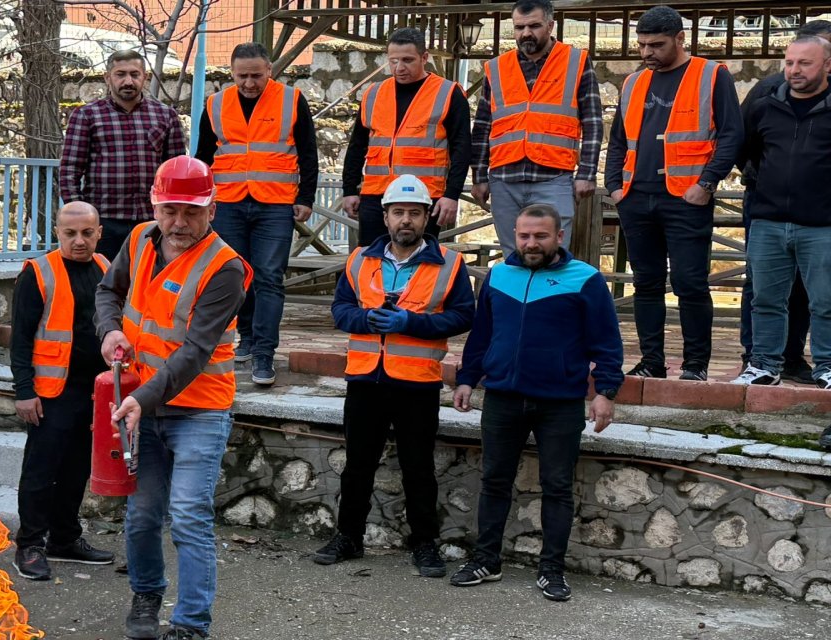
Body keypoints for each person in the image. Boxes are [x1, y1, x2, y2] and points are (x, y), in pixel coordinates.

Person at [95, 156, 252, 640]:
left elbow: (196, 351)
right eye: (170, 211)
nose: (179, 223)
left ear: (212, 209)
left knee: (187, 516)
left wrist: (141, 397)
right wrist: (110, 330)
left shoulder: (225, 269)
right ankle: (146, 595)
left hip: (199, 409)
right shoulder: (141, 238)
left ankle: (190, 625)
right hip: (141, 402)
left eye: (191, 212)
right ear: (155, 206)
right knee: (142, 515)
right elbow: (108, 291)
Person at [451, 204, 623, 602]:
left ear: (559, 236)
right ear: (514, 235)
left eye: (540, 236)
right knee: (494, 480)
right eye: (524, 235)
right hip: (502, 398)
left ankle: (552, 570)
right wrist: (466, 380)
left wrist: (605, 392)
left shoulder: (586, 280)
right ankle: (486, 561)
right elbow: (482, 337)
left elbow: (607, 344)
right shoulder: (497, 276)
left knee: (557, 487)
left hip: (560, 402)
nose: (531, 243)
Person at [311, 174, 474, 577]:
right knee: (358, 465)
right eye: (398, 212)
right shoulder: (359, 259)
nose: (406, 220)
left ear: (426, 218)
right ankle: (348, 537)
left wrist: (410, 322)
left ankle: (424, 544)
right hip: (366, 379)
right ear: (385, 217)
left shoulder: (450, 264)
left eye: (414, 213)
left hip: (417, 381)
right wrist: (366, 319)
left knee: (418, 467)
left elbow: (462, 316)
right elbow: (340, 310)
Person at [604, 5, 742, 382]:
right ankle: (652, 361)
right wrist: (614, 185)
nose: (647, 52)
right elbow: (619, 138)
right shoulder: (633, 82)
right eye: (642, 45)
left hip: (686, 197)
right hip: (636, 196)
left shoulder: (711, 75)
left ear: (681, 39)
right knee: (646, 282)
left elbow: (731, 135)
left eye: (656, 45)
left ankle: (695, 366)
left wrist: (707, 183)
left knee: (690, 283)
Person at [195, 42, 320, 387]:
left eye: (256, 75)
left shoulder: (291, 100)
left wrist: (305, 197)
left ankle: (264, 353)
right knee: (237, 277)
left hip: (275, 203)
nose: (249, 83)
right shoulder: (216, 104)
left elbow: (308, 152)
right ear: (231, 73)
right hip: (229, 202)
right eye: (242, 76)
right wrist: (202, 200)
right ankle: (246, 338)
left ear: (270, 71)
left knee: (268, 277)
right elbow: (203, 154)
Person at [8, 202, 116, 580]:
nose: (79, 240)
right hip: (52, 391)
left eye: (87, 233)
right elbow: (20, 339)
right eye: (70, 233)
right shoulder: (38, 273)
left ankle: (65, 539)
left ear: (99, 232)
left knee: (76, 470)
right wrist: (24, 391)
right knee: (41, 471)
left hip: (94, 391)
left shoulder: (106, 269)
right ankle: (30, 545)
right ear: (57, 232)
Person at [732, 36, 831, 390]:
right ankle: (763, 365)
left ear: (828, 66)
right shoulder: (764, 106)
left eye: (805, 63)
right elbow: (746, 150)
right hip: (768, 222)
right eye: (789, 62)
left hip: (822, 225)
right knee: (766, 300)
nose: (794, 70)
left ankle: (827, 367)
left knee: (826, 302)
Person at [470, 0, 603, 257]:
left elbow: (593, 122)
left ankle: (551, 298)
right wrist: (479, 176)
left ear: (551, 25)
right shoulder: (497, 68)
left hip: (553, 179)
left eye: (534, 26)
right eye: (519, 27)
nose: (526, 33)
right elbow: (483, 126)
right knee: (512, 257)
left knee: (553, 255)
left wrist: (587, 173)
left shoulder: (575, 62)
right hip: (504, 179)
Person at [342, 27, 471, 247]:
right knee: (372, 261)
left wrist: (452, 195)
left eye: (407, 60)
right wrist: (349, 190)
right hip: (376, 195)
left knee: (421, 264)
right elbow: (357, 146)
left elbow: (463, 148)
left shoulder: (448, 93)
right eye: (393, 61)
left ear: (424, 58)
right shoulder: (373, 93)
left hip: (423, 197)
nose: (399, 68)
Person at [60, 49, 187, 261]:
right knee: (103, 284)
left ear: (145, 77)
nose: (128, 81)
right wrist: (81, 218)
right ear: (107, 77)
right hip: (104, 221)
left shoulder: (165, 116)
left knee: (149, 281)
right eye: (120, 74)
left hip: (151, 220)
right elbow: (70, 170)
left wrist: (173, 216)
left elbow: (175, 174)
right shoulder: (87, 116)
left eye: (134, 74)